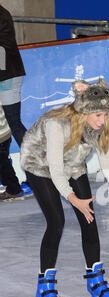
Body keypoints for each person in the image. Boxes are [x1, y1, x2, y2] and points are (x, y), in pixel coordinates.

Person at [20, 78, 109, 297]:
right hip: (40, 164)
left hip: (73, 164)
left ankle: (95, 281)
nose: (102, 120)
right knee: (56, 222)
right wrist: (73, 199)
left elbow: (108, 163)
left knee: (90, 219)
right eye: (97, 115)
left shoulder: (101, 124)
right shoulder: (57, 124)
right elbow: (55, 169)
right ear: (84, 111)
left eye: (105, 115)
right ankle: (44, 288)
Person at [0, 4, 32, 197]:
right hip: (7, 74)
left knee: (14, 124)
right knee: (12, 125)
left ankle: (37, 170)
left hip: (7, 76)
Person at [0, 100, 24, 200]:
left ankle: (14, 190)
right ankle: (13, 189)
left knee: (3, 166)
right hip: (4, 132)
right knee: (3, 164)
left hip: (1, 134)